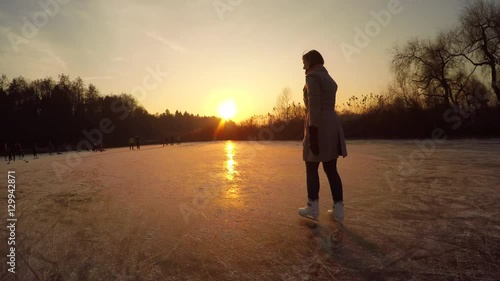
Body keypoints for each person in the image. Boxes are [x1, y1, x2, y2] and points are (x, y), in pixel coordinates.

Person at [298, 50, 348, 223]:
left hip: (319, 125)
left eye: (304, 61)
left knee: (311, 167)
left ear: (310, 61)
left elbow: (314, 104)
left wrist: (313, 130)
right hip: (332, 123)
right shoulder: (328, 78)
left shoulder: (312, 77)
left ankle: (312, 206)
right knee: (331, 169)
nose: (302, 65)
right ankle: (338, 209)